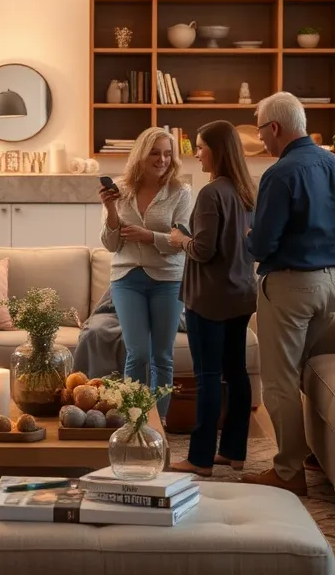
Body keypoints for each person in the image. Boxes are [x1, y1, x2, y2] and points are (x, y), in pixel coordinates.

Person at [240, 92, 335, 495]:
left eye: (260, 130)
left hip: (292, 285)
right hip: (332, 284)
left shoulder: (280, 174)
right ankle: (311, 452)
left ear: (274, 127)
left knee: (278, 380)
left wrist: (248, 238)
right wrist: (328, 255)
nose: (261, 139)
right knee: (300, 369)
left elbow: (262, 244)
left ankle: (288, 470)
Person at [167, 121, 257, 477]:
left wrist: (179, 239)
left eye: (201, 146)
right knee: (236, 372)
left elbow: (203, 250)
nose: (196, 153)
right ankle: (234, 451)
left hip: (208, 298)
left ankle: (200, 458)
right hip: (240, 294)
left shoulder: (210, 193)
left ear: (216, 151)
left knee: (206, 376)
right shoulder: (247, 191)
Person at [100, 127, 192, 420]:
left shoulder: (181, 191)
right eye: (155, 152)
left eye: (167, 153)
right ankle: (133, 420)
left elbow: (181, 242)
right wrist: (111, 209)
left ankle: (157, 423)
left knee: (161, 357)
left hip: (167, 279)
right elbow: (112, 244)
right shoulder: (120, 188)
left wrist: (148, 236)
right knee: (137, 353)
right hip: (127, 279)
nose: (162, 159)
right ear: (141, 154)